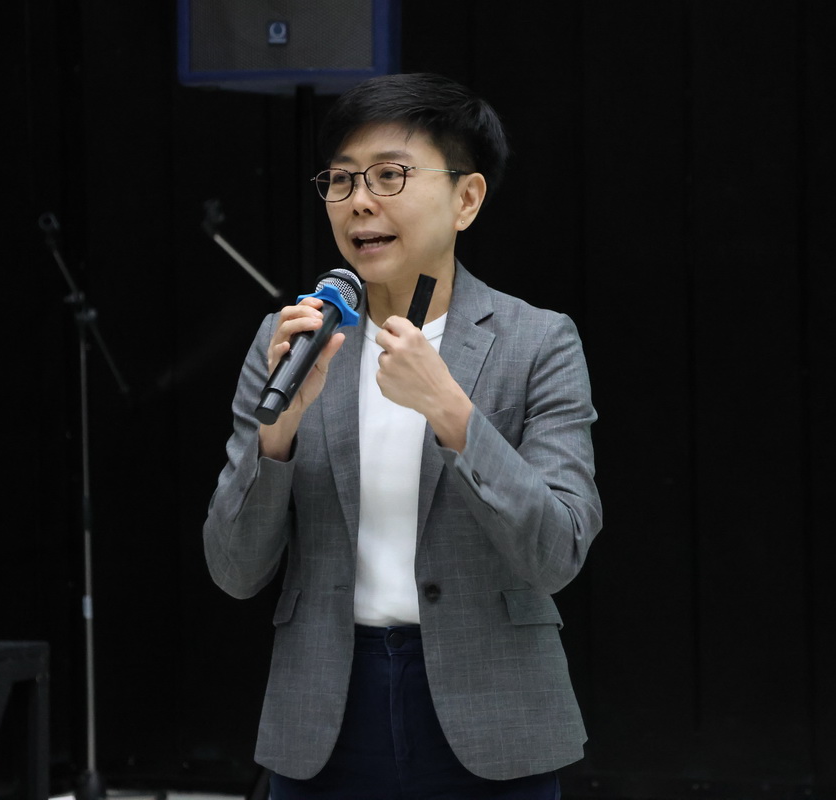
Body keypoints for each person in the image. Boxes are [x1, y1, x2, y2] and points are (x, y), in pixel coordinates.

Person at [203, 72, 602, 799]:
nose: (360, 201)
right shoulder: (291, 342)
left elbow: (558, 551)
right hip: (326, 713)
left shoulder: (538, 342)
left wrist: (452, 413)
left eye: (390, 175)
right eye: (341, 179)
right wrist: (276, 437)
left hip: (494, 711)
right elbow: (233, 568)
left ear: (466, 199)